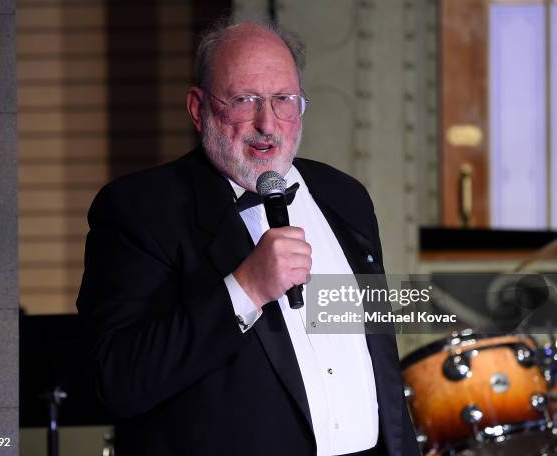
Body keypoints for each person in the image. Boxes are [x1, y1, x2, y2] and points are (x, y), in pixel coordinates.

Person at [76, 18, 419, 456]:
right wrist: (245, 289)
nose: (267, 123)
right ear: (198, 108)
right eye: (244, 100)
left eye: (283, 100)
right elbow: (117, 381)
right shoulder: (141, 209)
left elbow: (379, 360)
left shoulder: (345, 196)